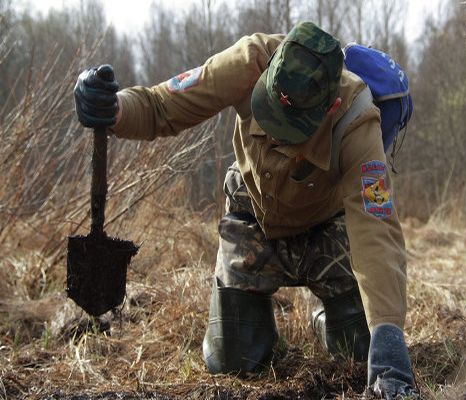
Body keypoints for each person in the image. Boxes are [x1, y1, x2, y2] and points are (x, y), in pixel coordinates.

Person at [74, 21, 417, 399]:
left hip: (326, 227)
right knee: (233, 359)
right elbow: (164, 105)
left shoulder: (357, 120)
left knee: (359, 351)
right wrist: (115, 108)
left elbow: (376, 226)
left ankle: (329, 318)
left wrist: (388, 331)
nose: (272, 133)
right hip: (254, 215)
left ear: (331, 107)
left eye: (288, 127)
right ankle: (255, 327)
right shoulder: (248, 60)